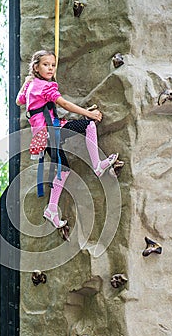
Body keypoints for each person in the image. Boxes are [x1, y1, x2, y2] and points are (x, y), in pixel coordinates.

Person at [16, 50, 118, 230]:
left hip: (42, 136)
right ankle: (97, 165)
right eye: (45, 64)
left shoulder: (32, 85)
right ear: (36, 67)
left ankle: (51, 209)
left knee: (63, 170)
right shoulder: (45, 87)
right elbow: (64, 104)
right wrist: (89, 113)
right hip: (51, 131)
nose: (50, 68)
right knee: (88, 125)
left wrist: (26, 82)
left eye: (53, 65)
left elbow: (19, 100)